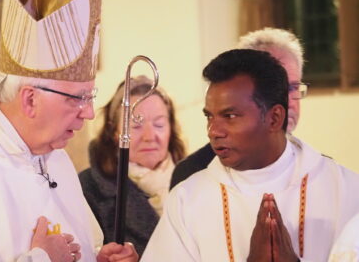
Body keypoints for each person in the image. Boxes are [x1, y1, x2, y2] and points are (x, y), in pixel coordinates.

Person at [0, 0, 138, 261]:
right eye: (77, 98)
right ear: (29, 100)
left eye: (91, 96)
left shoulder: (57, 160)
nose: (89, 113)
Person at [141, 49, 359, 261]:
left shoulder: (345, 191)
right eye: (209, 117)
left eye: (230, 115)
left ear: (274, 118)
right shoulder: (187, 200)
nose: (213, 131)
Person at [170, 27, 308, 189]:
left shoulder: (320, 172)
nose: (287, 101)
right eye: (272, 89)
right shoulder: (192, 175)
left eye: (292, 88)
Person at [79, 75, 186, 256]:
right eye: (136, 126)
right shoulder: (88, 189)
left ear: (171, 128)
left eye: (159, 124)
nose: (149, 136)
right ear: (115, 131)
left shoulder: (191, 179)